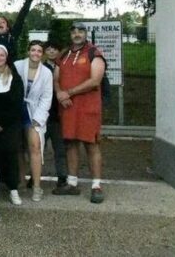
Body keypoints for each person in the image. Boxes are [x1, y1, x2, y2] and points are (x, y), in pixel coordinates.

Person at [53, 22, 107, 204]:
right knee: (70, 144)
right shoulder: (64, 54)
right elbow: (56, 77)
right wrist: (60, 93)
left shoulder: (94, 53)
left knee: (91, 145)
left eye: (80, 31)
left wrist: (69, 93)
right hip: (67, 108)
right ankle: (72, 183)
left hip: (88, 108)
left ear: (86, 33)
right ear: (70, 34)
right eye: (74, 31)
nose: (77, 34)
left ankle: (96, 186)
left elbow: (94, 81)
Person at [15, 40, 54, 202]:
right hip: (17, 110)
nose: (36, 53)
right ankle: (21, 181)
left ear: (42, 54)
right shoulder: (17, 66)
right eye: (33, 50)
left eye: (39, 51)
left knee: (35, 147)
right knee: (18, 147)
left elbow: (46, 97)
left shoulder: (46, 73)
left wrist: (39, 118)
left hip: (34, 111)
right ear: (28, 51)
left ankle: (37, 186)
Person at [0, 44, 25, 205]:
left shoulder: (14, 78)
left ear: (6, 57)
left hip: (10, 124)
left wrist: (2, 122)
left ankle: (13, 189)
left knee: (11, 154)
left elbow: (17, 103)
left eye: (2, 55)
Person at [42, 40, 67, 187]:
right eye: (49, 49)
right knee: (39, 148)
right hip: (43, 115)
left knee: (60, 148)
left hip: (58, 115)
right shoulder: (40, 67)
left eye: (55, 49)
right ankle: (35, 175)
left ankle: (62, 176)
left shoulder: (63, 67)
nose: (51, 51)